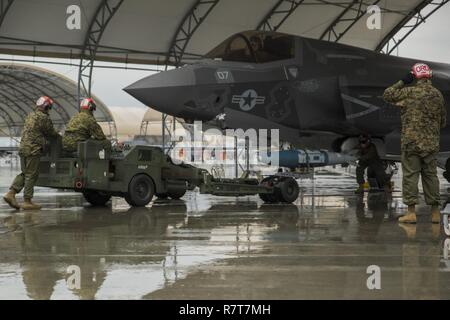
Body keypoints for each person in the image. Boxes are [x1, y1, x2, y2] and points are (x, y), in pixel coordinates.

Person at [383, 63, 446, 224]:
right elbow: (443, 121)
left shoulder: (409, 92)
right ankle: (435, 214)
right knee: (431, 176)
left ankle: (411, 213)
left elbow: (388, 94)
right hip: (431, 144)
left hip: (411, 143)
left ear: (415, 76)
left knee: (411, 176)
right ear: (429, 75)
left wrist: (404, 81)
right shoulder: (437, 95)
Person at [3, 96, 59, 210]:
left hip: (23, 148)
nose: (49, 110)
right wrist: (58, 135)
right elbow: (51, 133)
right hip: (33, 149)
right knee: (31, 174)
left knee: (25, 172)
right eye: (49, 107)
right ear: (46, 106)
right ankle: (27, 201)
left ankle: (11, 193)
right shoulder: (43, 118)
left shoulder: (30, 115)